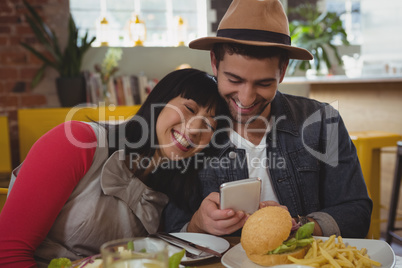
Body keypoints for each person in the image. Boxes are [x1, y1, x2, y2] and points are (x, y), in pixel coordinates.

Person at [163, 0, 372, 238]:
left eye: (263, 83)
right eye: (234, 80)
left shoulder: (324, 122)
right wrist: (196, 225)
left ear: (282, 70)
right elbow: (167, 227)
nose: (246, 98)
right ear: (214, 63)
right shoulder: (188, 132)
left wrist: (297, 224)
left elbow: (357, 213)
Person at [0, 68, 229, 267]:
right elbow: (8, 253)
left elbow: (163, 252)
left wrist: (200, 224)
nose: (195, 128)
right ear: (159, 100)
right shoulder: (78, 141)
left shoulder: (168, 189)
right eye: (188, 109)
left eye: (210, 124)